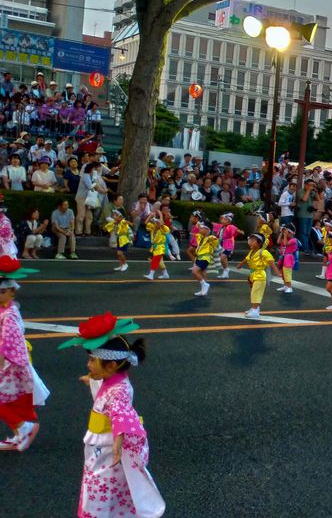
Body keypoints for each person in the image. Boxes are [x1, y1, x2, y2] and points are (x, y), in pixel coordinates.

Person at [58, 314, 165, 518]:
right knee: (106, 488)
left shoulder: (120, 390)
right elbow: (106, 394)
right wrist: (91, 380)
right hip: (101, 447)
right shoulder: (113, 380)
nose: (88, 365)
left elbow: (120, 414)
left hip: (107, 450)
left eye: (92, 360)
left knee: (101, 489)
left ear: (111, 365)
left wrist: (118, 442)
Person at [0, 267, 43, 452]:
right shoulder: (4, 309)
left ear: (12, 292)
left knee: (5, 399)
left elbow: (7, 341)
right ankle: (19, 432)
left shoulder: (9, 314)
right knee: (8, 400)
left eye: (2, 292)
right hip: (10, 362)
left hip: (9, 364)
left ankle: (22, 427)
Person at [238, 233, 280, 319]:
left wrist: (277, 272)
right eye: (250, 241)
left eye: (253, 241)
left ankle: (255, 311)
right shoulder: (252, 251)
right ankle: (255, 308)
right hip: (253, 274)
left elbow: (271, 261)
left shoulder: (263, 252)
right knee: (254, 292)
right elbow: (246, 259)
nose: (250, 242)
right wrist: (240, 265)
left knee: (256, 293)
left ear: (259, 243)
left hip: (260, 275)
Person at [191, 222, 219, 297]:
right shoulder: (200, 236)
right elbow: (195, 231)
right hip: (199, 257)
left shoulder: (211, 238)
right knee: (202, 274)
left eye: (202, 228)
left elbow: (216, 241)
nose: (199, 229)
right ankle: (203, 289)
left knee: (194, 271)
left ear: (207, 229)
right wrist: (199, 224)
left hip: (205, 258)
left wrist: (211, 236)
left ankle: (205, 285)